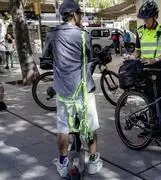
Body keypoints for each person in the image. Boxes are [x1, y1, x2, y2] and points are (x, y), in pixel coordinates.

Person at [42, 0, 102, 177]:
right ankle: (92, 162)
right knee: (90, 126)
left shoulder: (52, 34)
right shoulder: (84, 35)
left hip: (63, 92)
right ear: (75, 14)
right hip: (84, 91)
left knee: (63, 129)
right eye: (80, 13)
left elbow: (45, 59)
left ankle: (62, 164)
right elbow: (90, 57)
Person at [131, 0, 161, 139]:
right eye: (143, 19)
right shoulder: (140, 31)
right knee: (148, 97)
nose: (145, 21)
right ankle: (152, 125)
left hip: (159, 67)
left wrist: (154, 60)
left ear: (154, 16)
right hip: (146, 68)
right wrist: (131, 57)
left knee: (160, 96)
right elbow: (137, 52)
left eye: (147, 18)